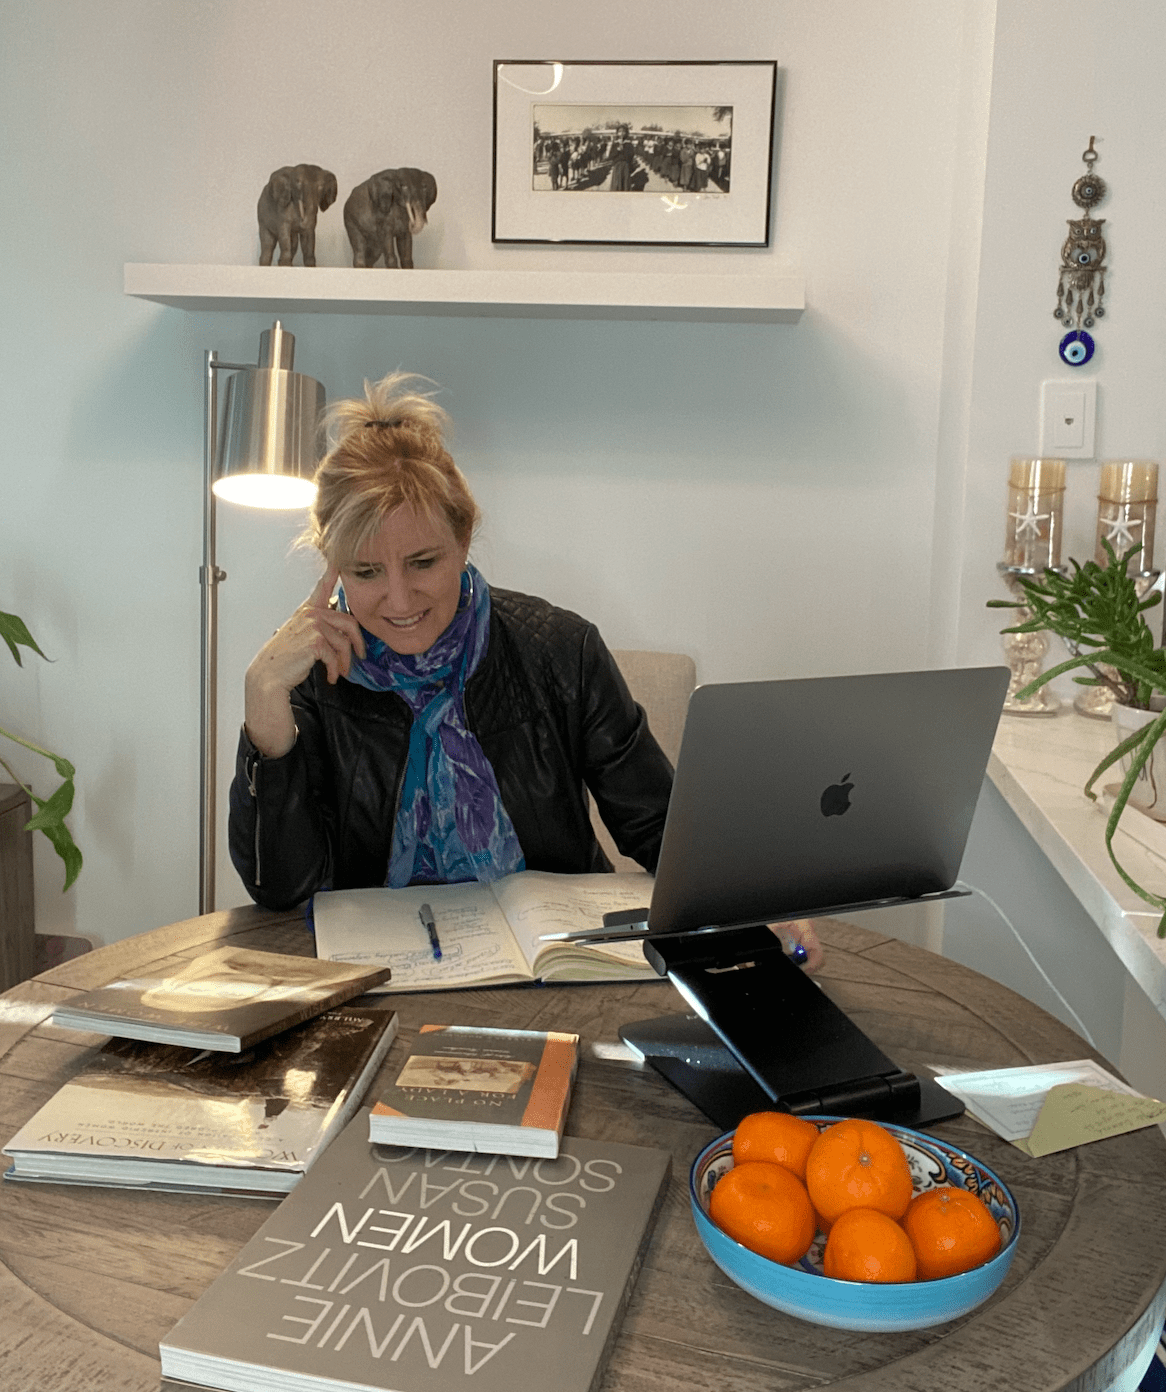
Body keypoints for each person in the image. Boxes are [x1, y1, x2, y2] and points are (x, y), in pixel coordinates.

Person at [228, 372, 823, 970]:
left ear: (464, 538)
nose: (400, 599)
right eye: (365, 573)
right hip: (380, 976)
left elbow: (658, 827)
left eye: (422, 562)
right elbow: (281, 890)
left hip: (557, 966)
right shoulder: (312, 672)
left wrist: (751, 901)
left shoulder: (560, 649)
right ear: (331, 566)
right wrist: (264, 706)